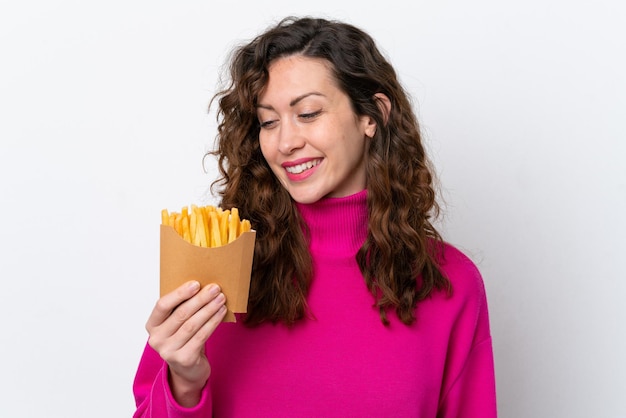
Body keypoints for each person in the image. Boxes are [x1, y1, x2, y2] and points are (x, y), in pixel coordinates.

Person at [133, 16, 497, 417]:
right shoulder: (217, 265)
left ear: (372, 115)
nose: (285, 142)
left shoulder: (451, 285)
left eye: (307, 113)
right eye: (268, 121)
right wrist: (184, 382)